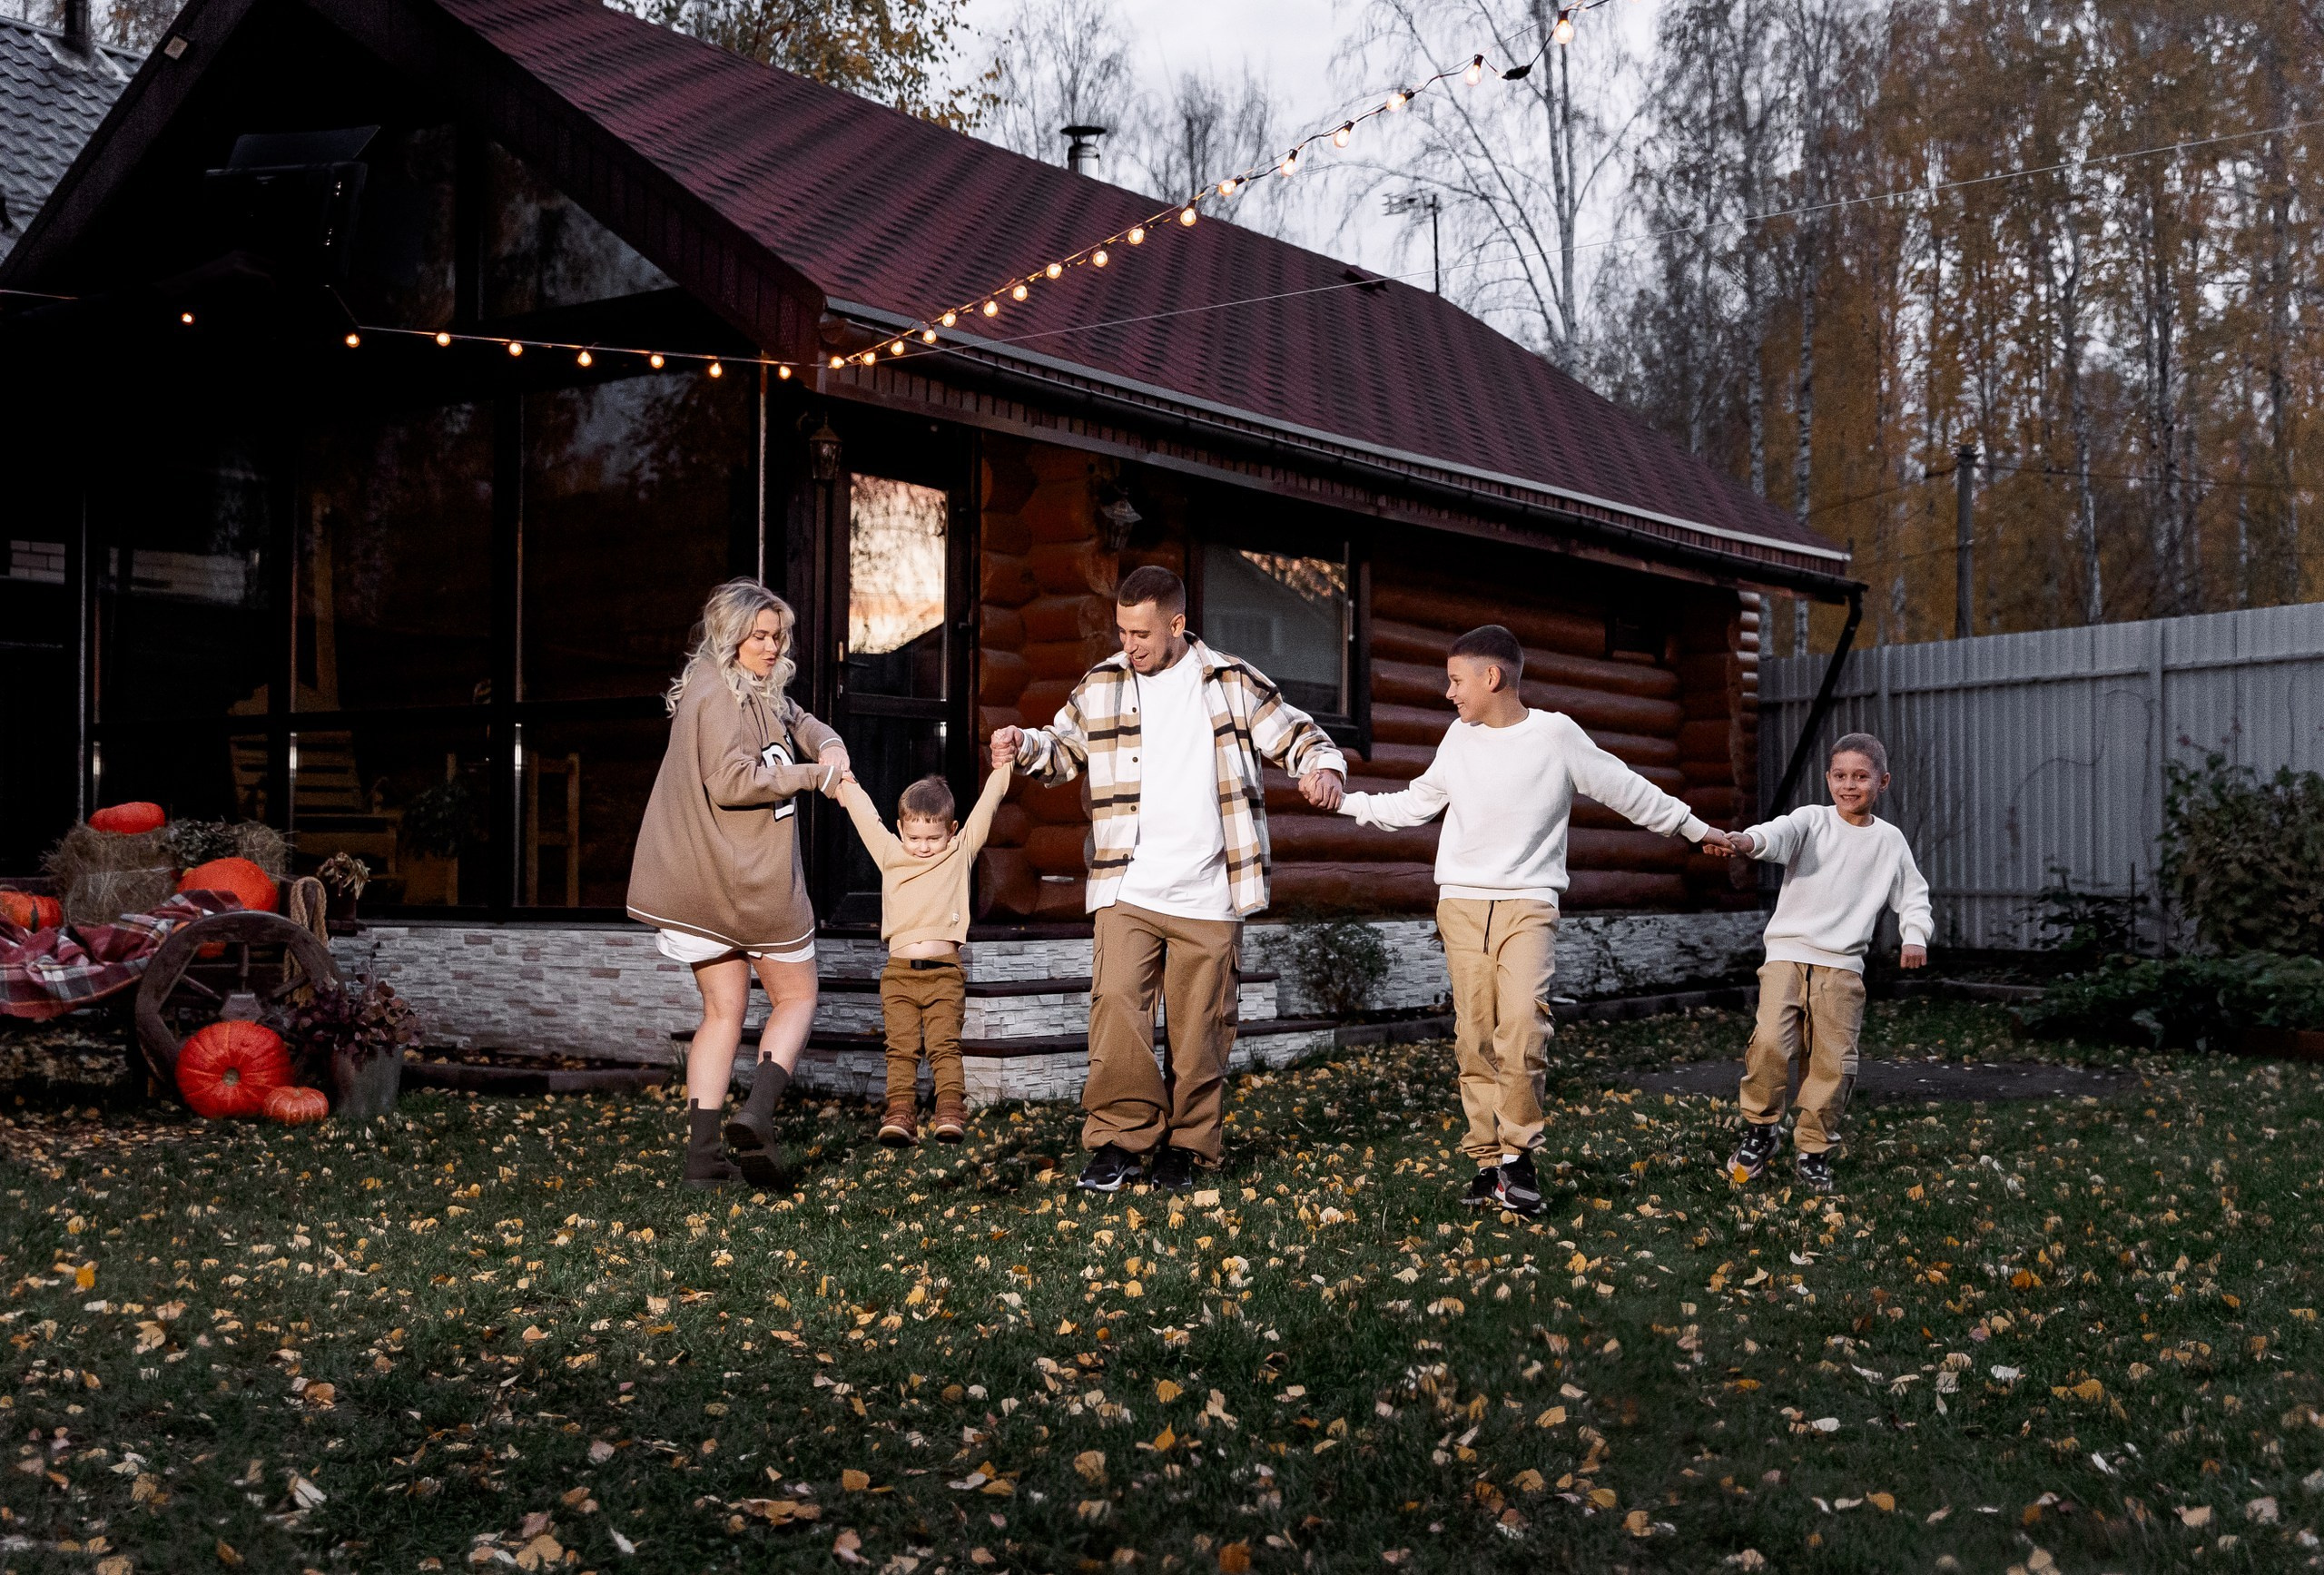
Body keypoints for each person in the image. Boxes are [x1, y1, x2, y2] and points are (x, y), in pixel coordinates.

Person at [1339, 624, 1730, 1216]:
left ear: (1491, 677)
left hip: (1528, 905)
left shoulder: (1556, 736)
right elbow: (1416, 803)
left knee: (1522, 1026)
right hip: (1461, 906)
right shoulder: (1458, 738)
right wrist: (1348, 803)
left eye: (1456, 680)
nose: (1449, 693)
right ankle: (1486, 1163)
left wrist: (1697, 830)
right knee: (1474, 1036)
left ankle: (1518, 1158)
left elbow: (1628, 789)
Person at [990, 565, 1346, 1194]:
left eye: (1142, 634)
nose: (1128, 645)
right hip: (1128, 887)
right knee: (1117, 1011)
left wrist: (1323, 769)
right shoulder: (1102, 683)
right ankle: (1119, 1141)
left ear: (1177, 624)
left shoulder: (1232, 682)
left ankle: (1189, 1147)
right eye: (1122, 631)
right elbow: (1063, 749)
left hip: (1209, 893)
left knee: (1200, 1031)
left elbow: (1301, 735)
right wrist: (1025, 745)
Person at [627, 579, 849, 1189]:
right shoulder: (720, 696)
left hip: (701, 889)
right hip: (747, 882)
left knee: (723, 1013)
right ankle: (757, 1113)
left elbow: (798, 718)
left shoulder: (743, 684)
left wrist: (829, 744)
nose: (774, 647)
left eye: (778, 636)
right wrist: (814, 776)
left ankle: (703, 1160)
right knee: (797, 997)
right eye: (760, 637)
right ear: (731, 635)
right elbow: (730, 781)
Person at [1703, 731, 1931, 1194]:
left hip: (1843, 968)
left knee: (1832, 1062)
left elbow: (1913, 895)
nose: (1849, 785)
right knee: (1770, 1042)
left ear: (1883, 781)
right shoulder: (1811, 821)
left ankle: (1814, 1149)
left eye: (1861, 777)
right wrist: (1745, 841)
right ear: (1828, 779)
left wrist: (1915, 936)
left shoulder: (1889, 842)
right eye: (1840, 776)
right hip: (1787, 957)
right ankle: (1761, 1129)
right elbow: (1774, 835)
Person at [833, 746, 1012, 1147]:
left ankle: (950, 1112)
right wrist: (845, 781)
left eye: (934, 837)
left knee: (944, 1045)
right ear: (901, 829)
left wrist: (1003, 767)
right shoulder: (890, 853)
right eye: (914, 837)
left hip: (944, 974)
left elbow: (987, 806)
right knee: (900, 1048)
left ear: (952, 830)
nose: (924, 846)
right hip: (898, 976)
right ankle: (900, 1115)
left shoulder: (959, 853)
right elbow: (864, 816)